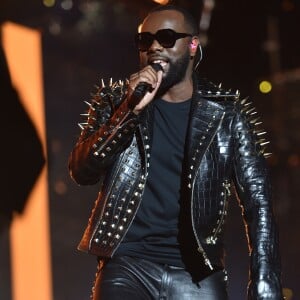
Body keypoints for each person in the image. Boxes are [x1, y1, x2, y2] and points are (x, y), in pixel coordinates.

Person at [68, 4, 282, 300]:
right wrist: (128, 113)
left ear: (192, 45)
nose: (155, 46)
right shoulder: (115, 101)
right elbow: (82, 170)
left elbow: (257, 202)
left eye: (167, 38)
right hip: (127, 267)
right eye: (146, 40)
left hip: (196, 273)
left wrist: (265, 279)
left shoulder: (227, 115)